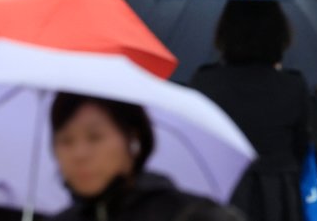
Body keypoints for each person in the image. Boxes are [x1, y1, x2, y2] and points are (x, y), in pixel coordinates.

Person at [190, 0, 311, 221]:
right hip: (277, 193)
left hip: (221, 191)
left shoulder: (205, 82)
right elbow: (301, 146)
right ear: (279, 34)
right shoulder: (292, 85)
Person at [49, 93, 241, 221]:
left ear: (133, 139)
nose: (79, 154)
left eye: (95, 137)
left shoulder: (190, 215)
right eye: (66, 141)